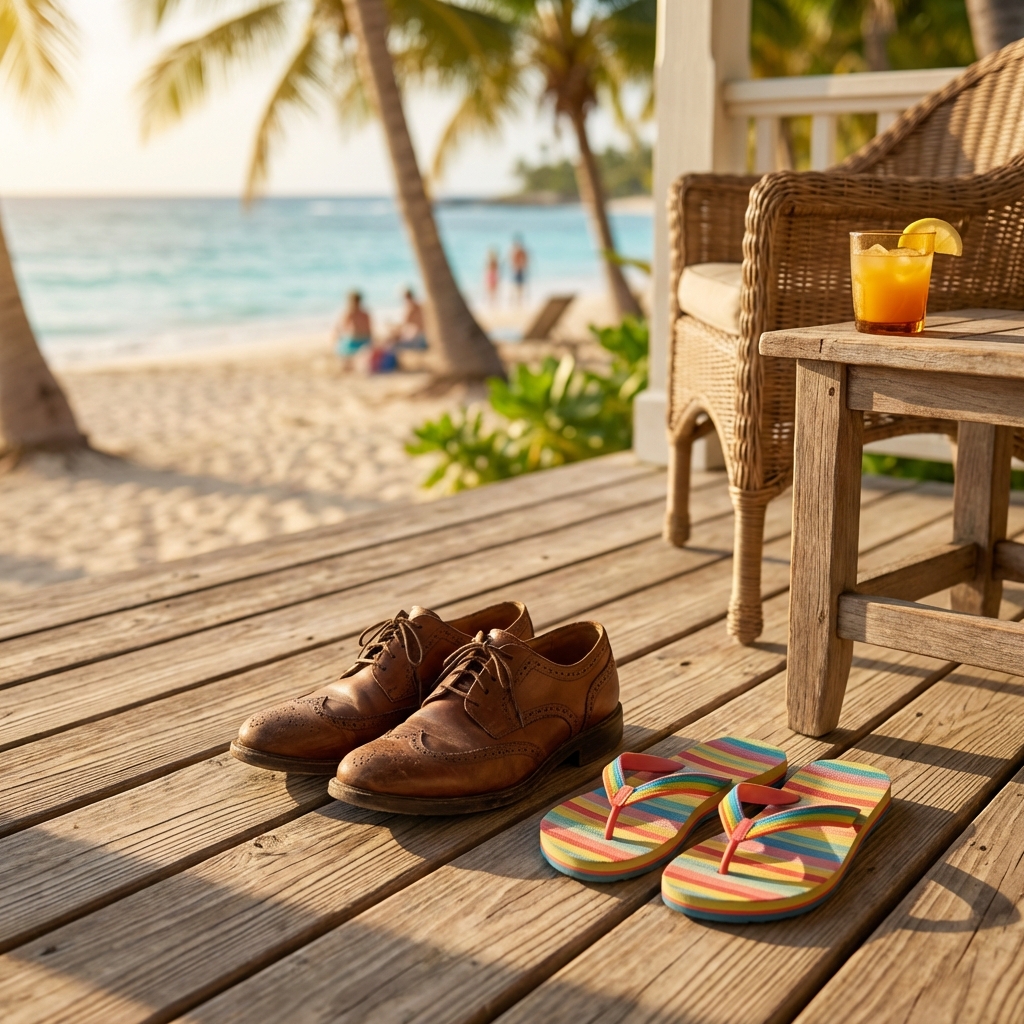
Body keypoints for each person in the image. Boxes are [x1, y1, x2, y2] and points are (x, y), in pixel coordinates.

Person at [333, 291, 373, 370]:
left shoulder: (350, 312)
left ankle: (347, 363)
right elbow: (370, 329)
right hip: (366, 340)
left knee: (338, 344)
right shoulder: (366, 313)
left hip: (354, 341)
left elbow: (342, 327)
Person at [509, 236, 529, 306]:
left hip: (519, 271)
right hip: (518, 271)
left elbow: (525, 260)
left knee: (519, 287)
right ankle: (516, 301)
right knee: (516, 286)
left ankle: (518, 301)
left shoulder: (520, 252)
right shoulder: (518, 252)